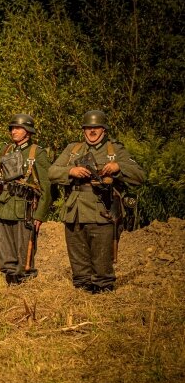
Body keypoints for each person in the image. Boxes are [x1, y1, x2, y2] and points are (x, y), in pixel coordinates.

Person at [48, 110, 145, 293]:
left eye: (96, 128)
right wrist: (70, 171)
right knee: (79, 263)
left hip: (103, 211)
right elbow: (52, 172)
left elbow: (139, 175)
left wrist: (118, 167)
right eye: (88, 128)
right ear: (83, 130)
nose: (92, 131)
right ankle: (82, 294)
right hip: (75, 211)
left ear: (104, 130)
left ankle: (102, 296)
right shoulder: (73, 149)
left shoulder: (114, 150)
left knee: (102, 267)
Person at [0, 114, 52, 285]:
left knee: (24, 253)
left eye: (18, 128)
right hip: (3, 206)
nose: (13, 131)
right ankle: (11, 284)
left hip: (25, 209)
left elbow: (47, 187)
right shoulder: (6, 151)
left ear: (28, 132)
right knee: (5, 252)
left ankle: (25, 287)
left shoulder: (37, 153)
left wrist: (40, 215)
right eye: (12, 128)